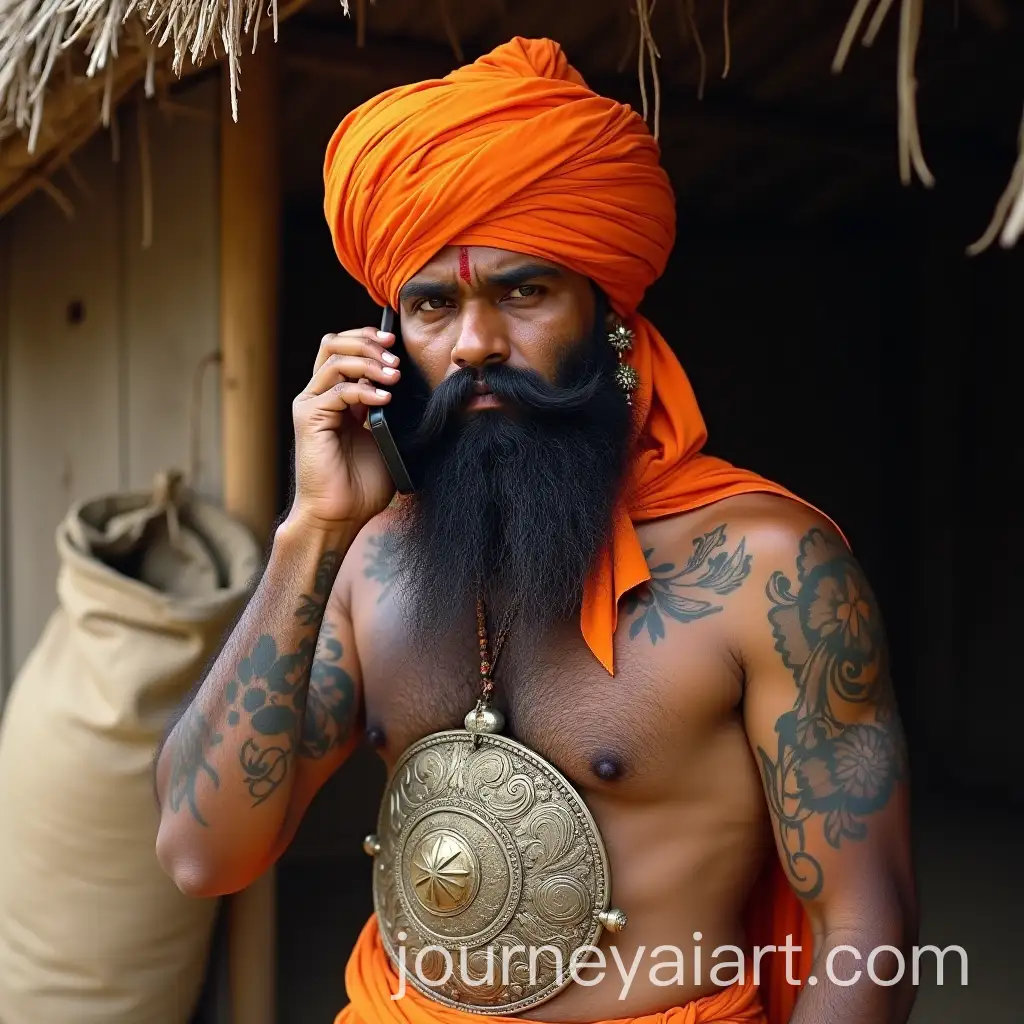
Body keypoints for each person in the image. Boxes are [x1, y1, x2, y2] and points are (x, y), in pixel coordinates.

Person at [154, 37, 918, 1024]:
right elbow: (200, 854)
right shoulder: (364, 561)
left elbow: (866, 924)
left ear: (606, 315)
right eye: (433, 305)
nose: (475, 343)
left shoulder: (767, 572)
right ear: (391, 342)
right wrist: (311, 531)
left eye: (523, 291)